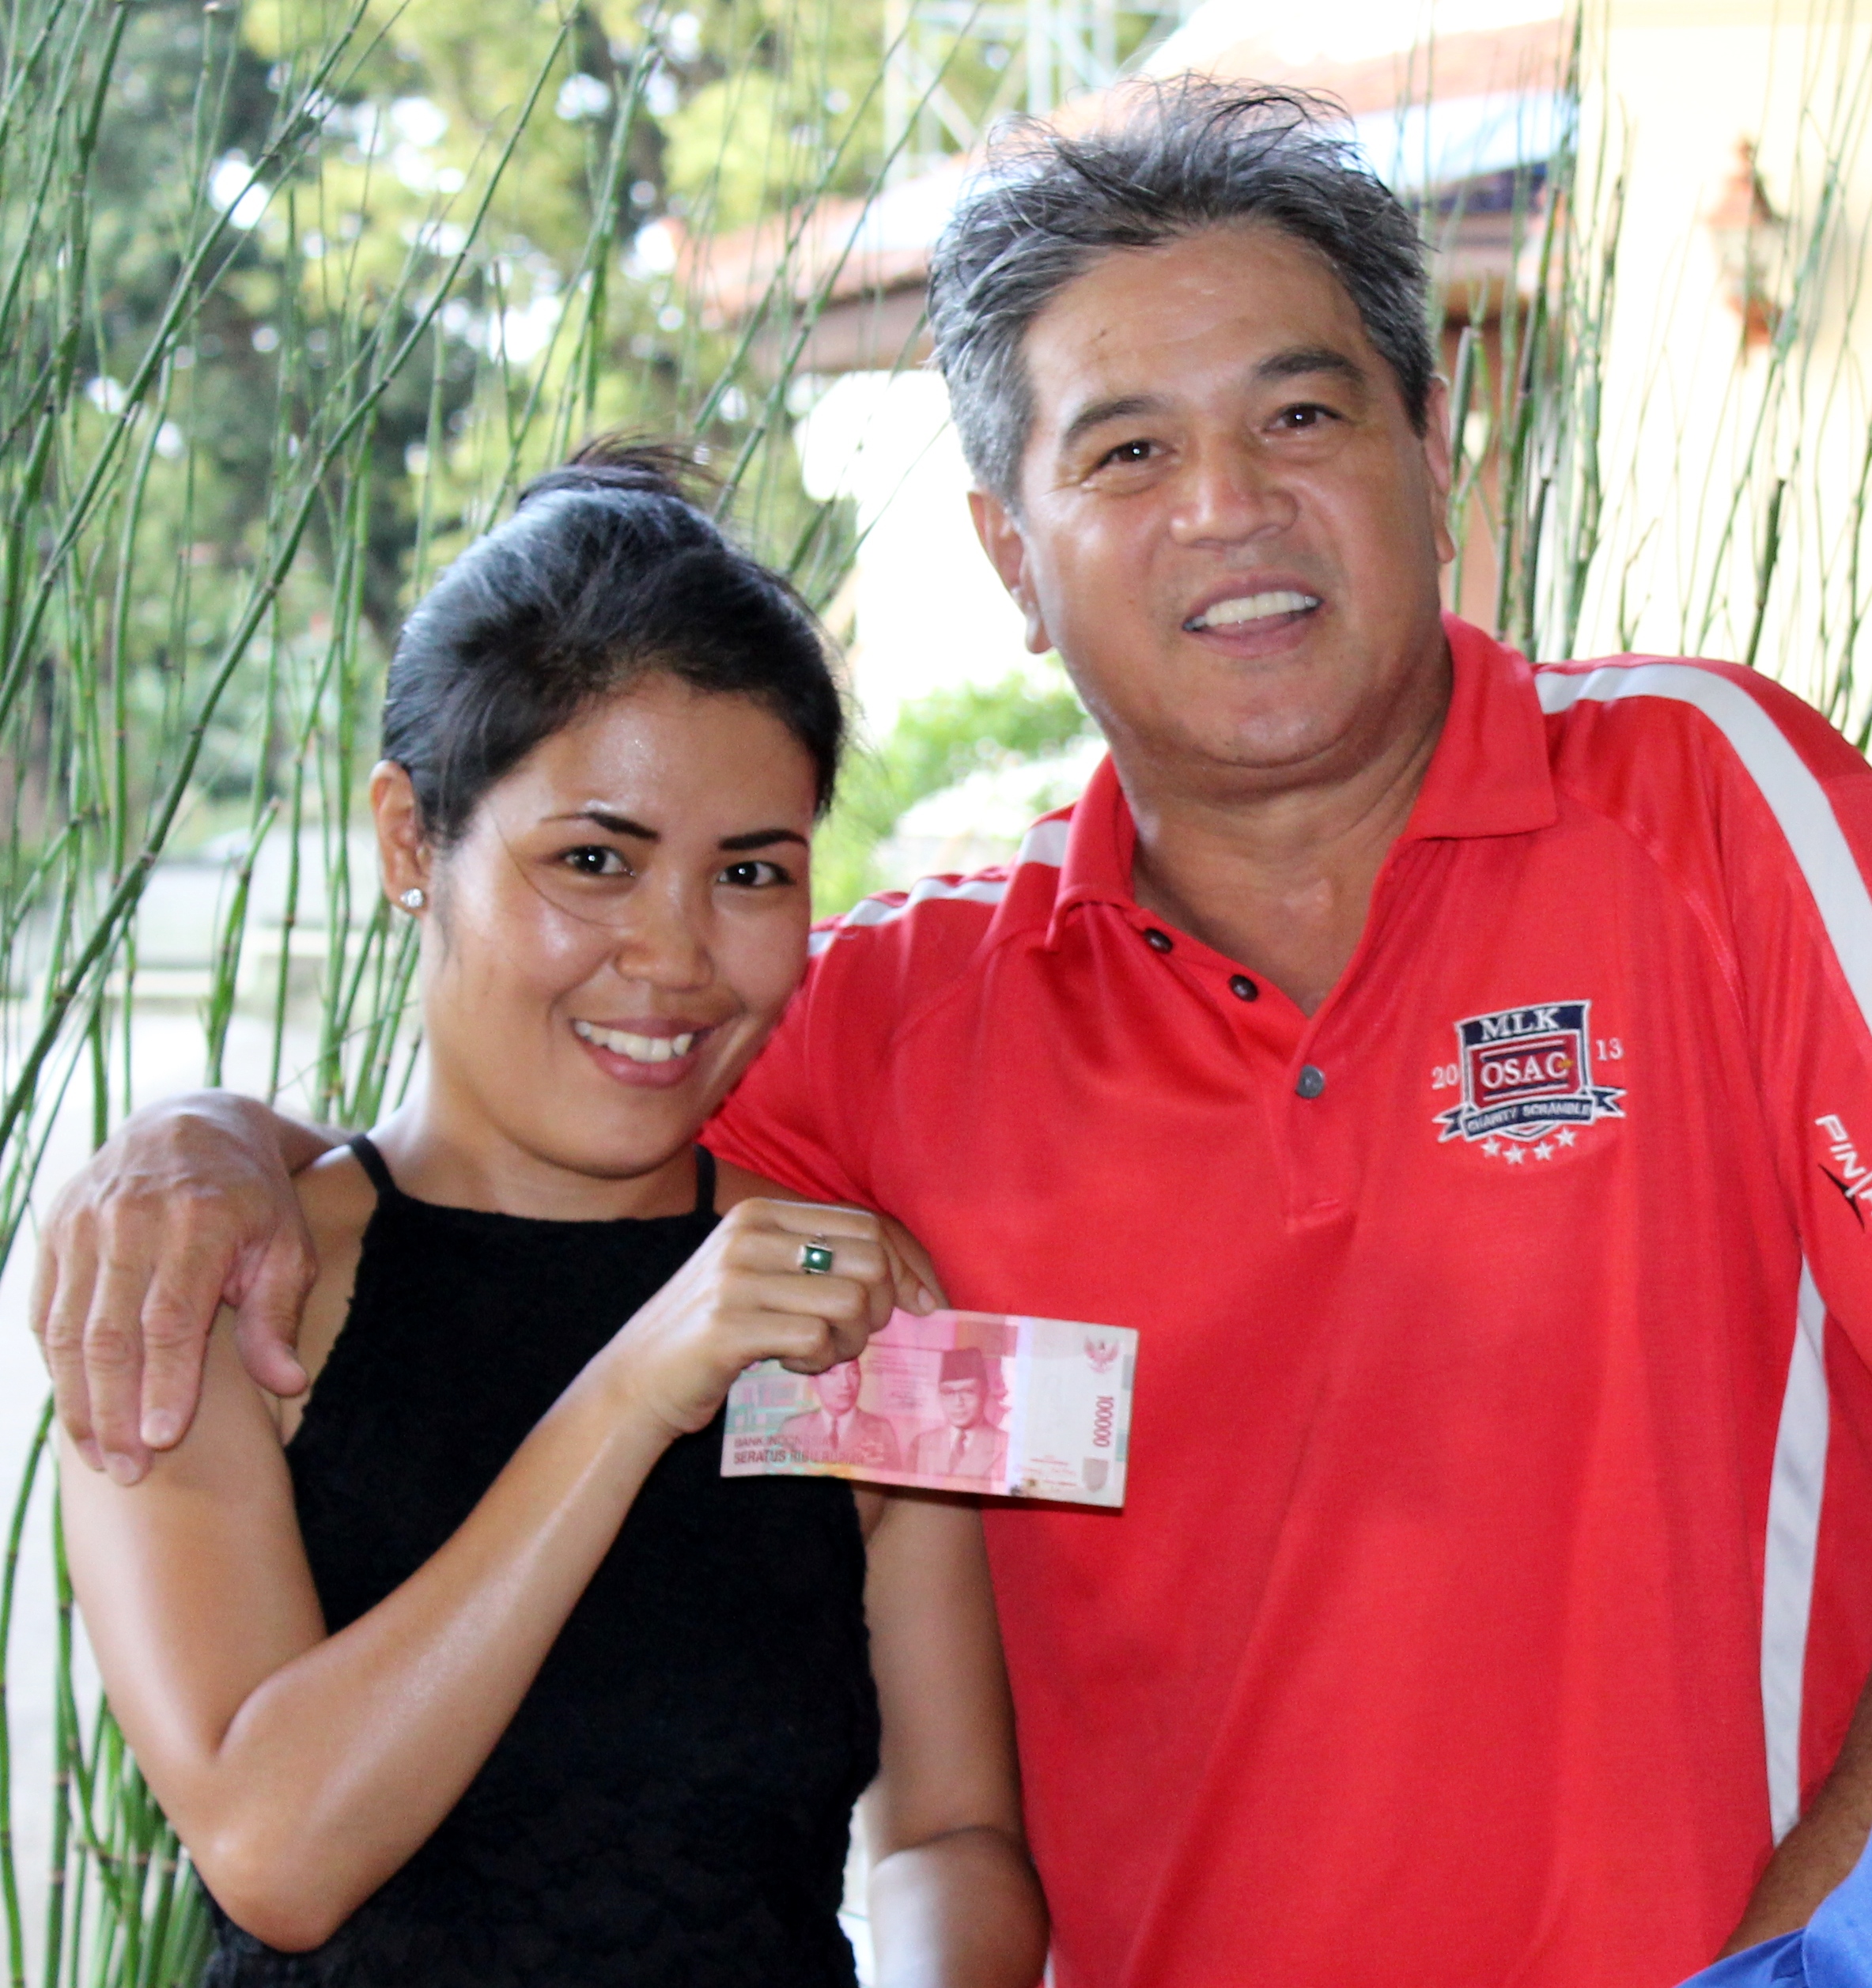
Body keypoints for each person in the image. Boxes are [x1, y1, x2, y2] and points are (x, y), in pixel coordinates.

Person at [34, 80, 1872, 1986]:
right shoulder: (891, 1023)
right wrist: (209, 1142)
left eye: (1300, 415)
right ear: (1011, 559)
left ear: (1428, 441)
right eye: (1128, 450)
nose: (1227, 503)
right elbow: (541, 1134)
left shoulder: (1713, 811)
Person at [50, 442, 1047, 1988]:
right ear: (409, 841)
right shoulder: (220, 1279)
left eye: (750, 872)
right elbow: (276, 1850)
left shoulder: (845, 1296)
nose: (676, 957)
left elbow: (947, 1832)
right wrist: (639, 1381)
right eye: (593, 860)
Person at [781, 1355, 903, 1468]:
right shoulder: (793, 1428)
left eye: (853, 1372)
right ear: (813, 1381)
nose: (845, 1384)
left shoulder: (881, 1430)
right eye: (832, 1373)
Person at [907, 1350, 1007, 1480]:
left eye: (968, 1391)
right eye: (948, 1392)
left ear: (984, 1394)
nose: (958, 1402)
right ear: (940, 1396)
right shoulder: (921, 1444)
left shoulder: (1006, 1446)